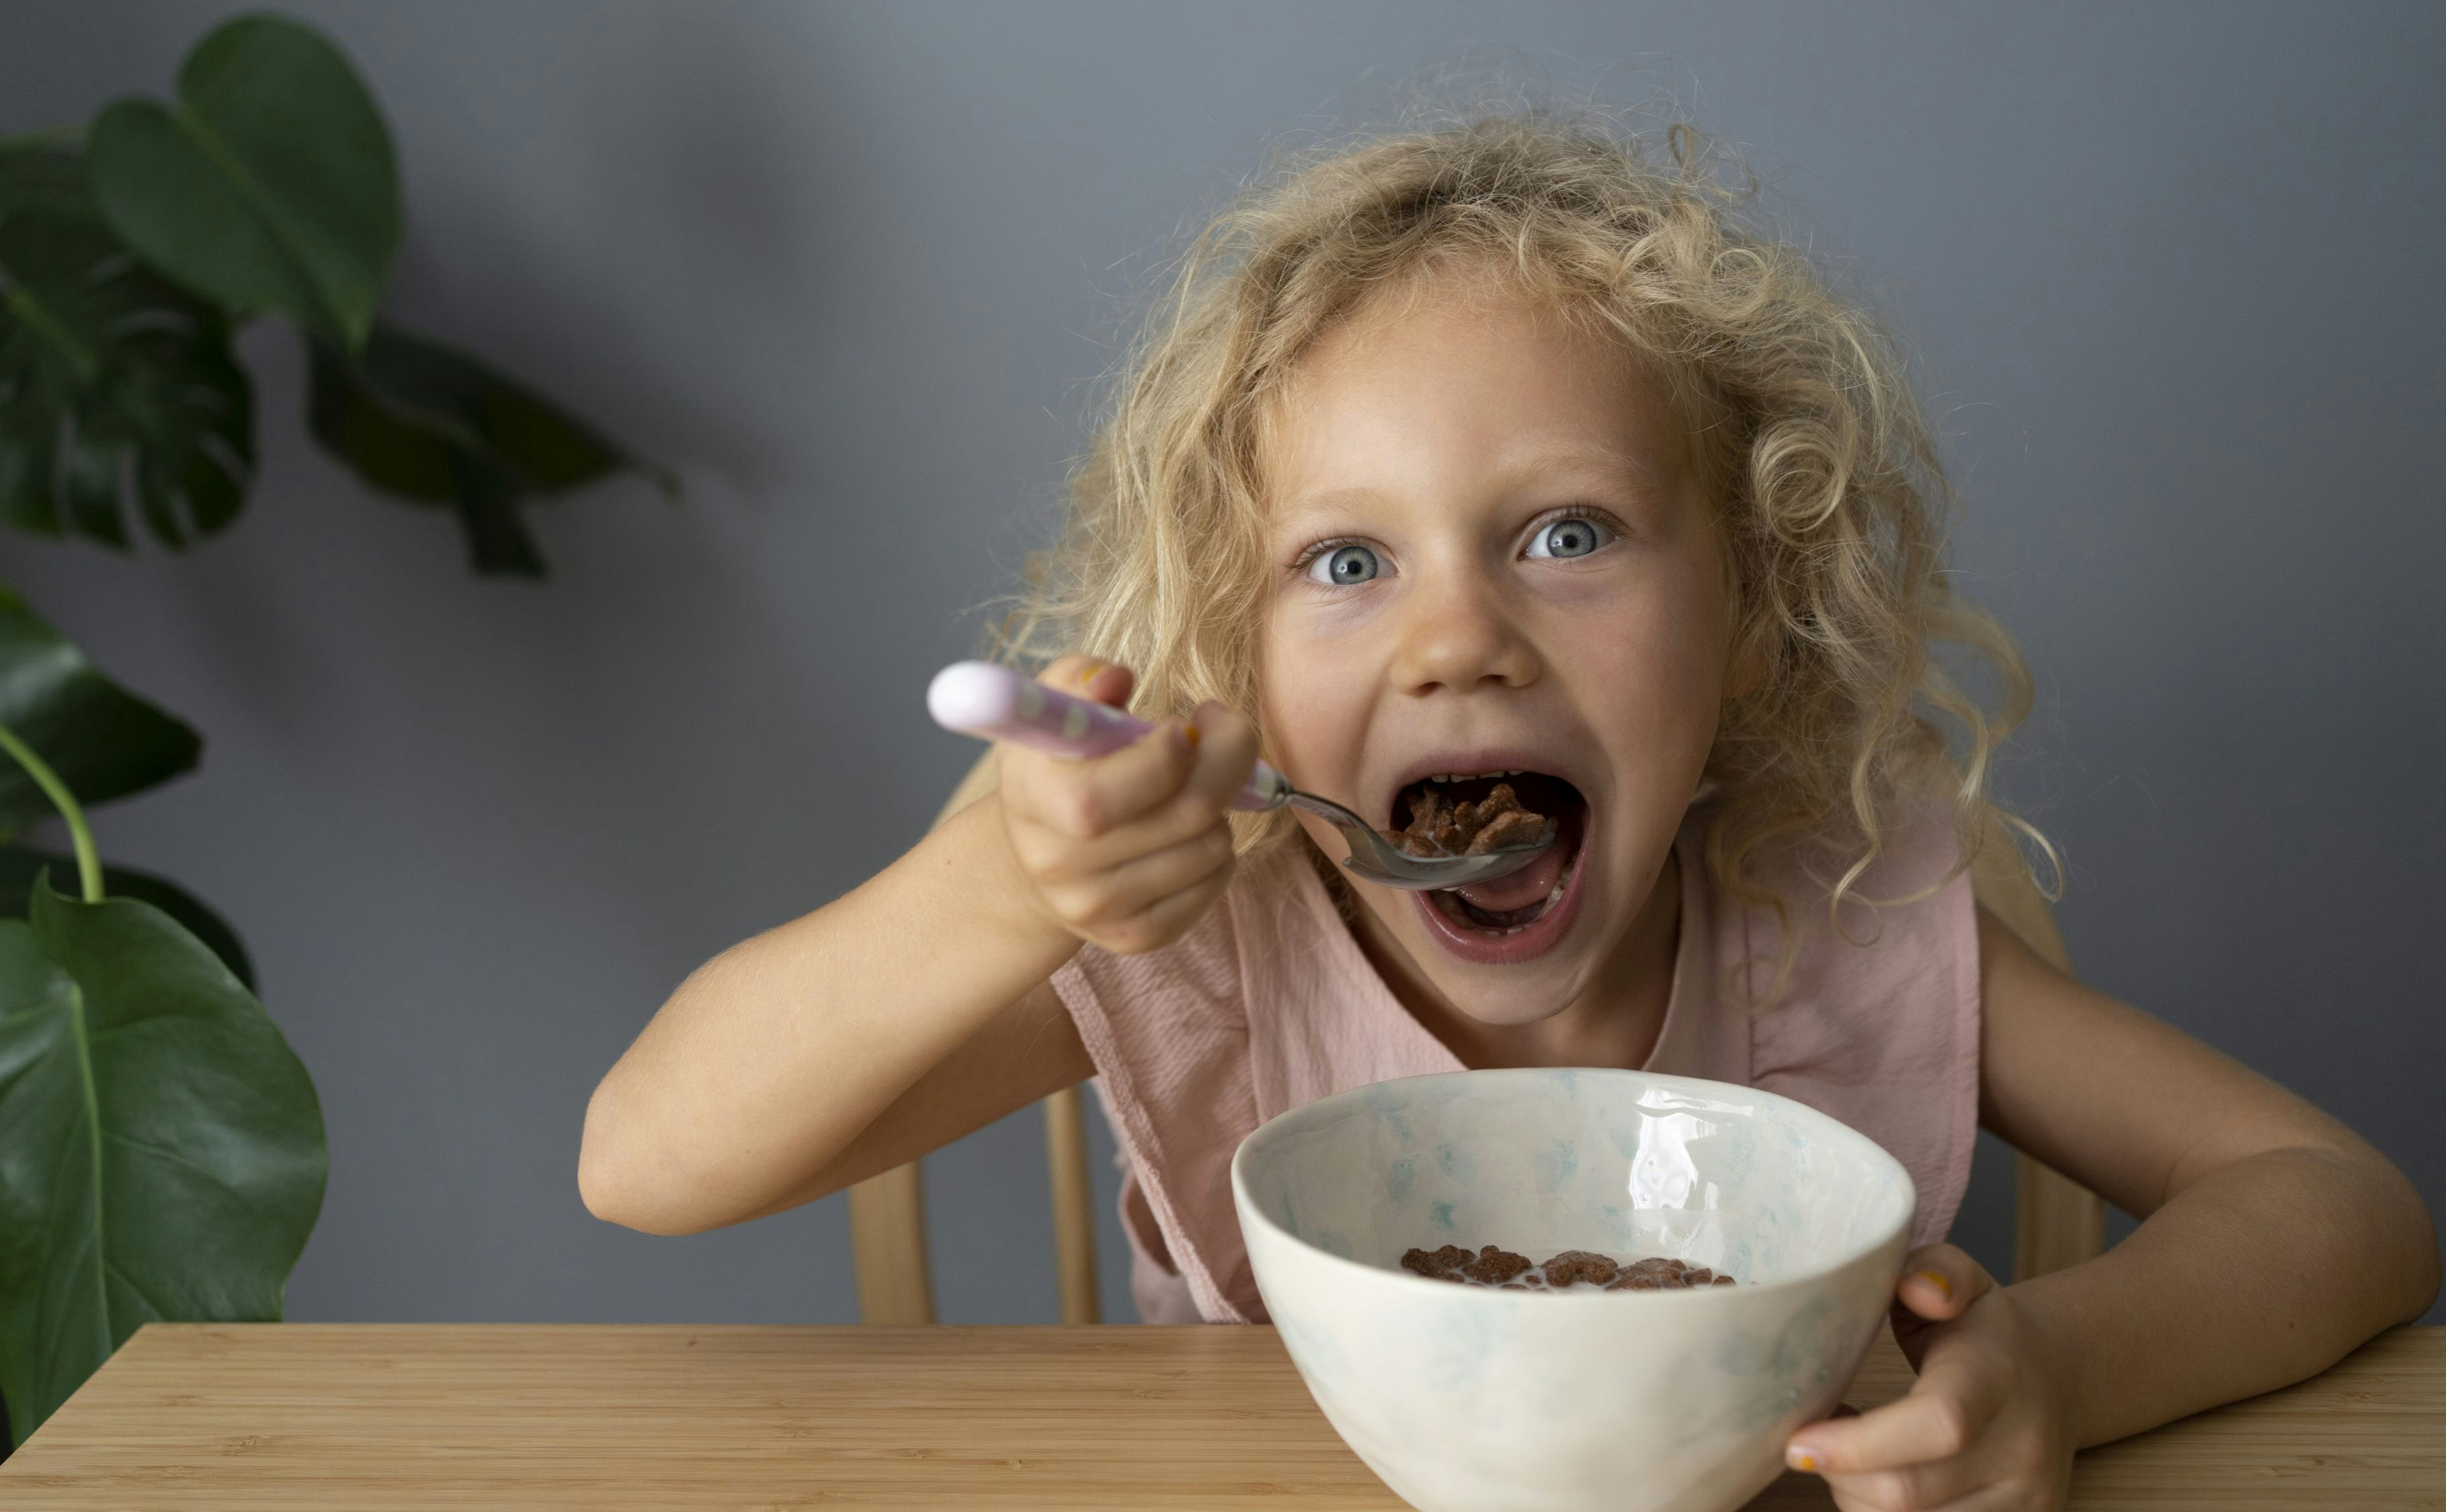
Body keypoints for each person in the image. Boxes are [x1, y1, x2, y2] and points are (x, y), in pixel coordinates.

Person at [579, 114, 2437, 1511]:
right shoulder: (1208, 950)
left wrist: (2064, 1368)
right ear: (1237, 656)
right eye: (1346, 561)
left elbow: (2342, 1202)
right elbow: (645, 1162)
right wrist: (994, 879)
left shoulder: (1840, 923)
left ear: (1758, 629)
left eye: (1567, 534)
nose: (1458, 636)